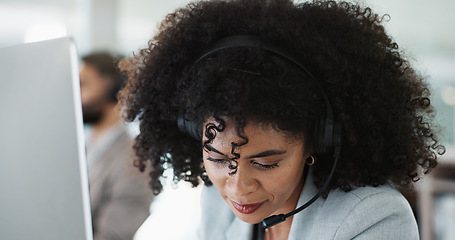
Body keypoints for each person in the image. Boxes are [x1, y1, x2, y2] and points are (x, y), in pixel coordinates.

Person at [118, 0, 446, 239]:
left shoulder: (373, 217)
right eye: (217, 158)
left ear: (316, 143)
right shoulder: (216, 202)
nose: (238, 187)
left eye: (265, 163)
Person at [79, 52, 154, 240]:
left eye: (82, 85)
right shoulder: (81, 147)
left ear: (114, 90)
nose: (74, 94)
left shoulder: (136, 162)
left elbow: (113, 236)